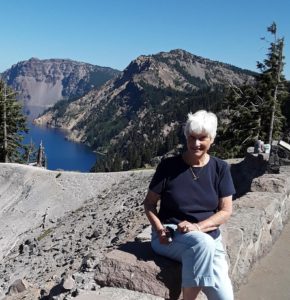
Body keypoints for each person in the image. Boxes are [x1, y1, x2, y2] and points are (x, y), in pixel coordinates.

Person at [144, 110, 235, 300]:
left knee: (225, 298)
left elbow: (226, 211)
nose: (196, 144)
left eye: (202, 138)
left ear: (212, 139)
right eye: (191, 137)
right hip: (170, 236)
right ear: (186, 137)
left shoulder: (220, 168)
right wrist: (159, 229)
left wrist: (197, 227)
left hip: (210, 239)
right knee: (202, 243)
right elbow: (150, 204)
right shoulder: (168, 166)